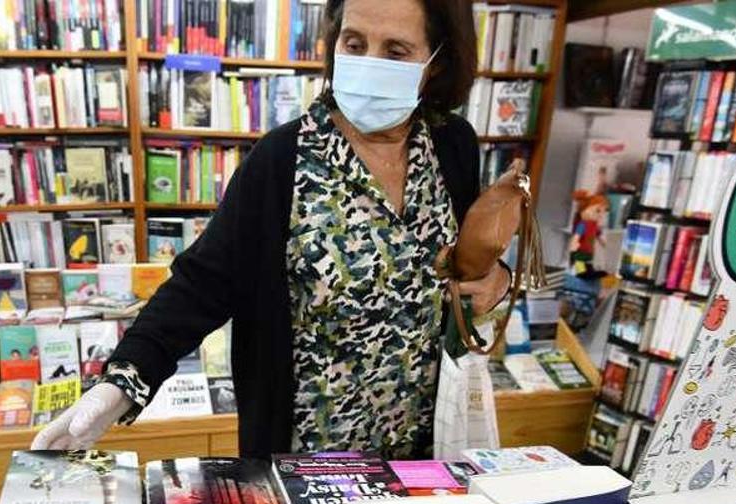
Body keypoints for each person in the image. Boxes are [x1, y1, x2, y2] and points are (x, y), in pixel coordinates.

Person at [33, 0, 512, 459]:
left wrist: (494, 280)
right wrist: (121, 383)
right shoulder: (281, 160)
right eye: (354, 41)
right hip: (309, 466)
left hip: (428, 451)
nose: (369, 62)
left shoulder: (452, 146)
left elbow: (468, 259)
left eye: (395, 51)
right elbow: (201, 286)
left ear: (436, 61)